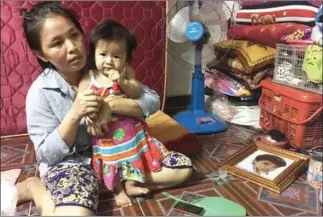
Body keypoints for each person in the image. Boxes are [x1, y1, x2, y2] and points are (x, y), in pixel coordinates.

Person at [13, 1, 192, 216]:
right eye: (57, 43)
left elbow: (152, 100)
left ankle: (105, 186)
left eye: (74, 35)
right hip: (75, 163)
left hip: (120, 154)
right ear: (41, 54)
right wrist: (75, 113)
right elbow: (46, 154)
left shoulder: (103, 65)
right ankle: (38, 189)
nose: (72, 48)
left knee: (182, 169)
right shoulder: (41, 92)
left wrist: (113, 105)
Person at [79, 19, 193, 207]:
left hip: (132, 134)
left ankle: (131, 184)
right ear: (93, 54)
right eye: (103, 54)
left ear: (126, 59)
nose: (109, 61)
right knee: (112, 163)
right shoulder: (88, 79)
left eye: (116, 56)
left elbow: (136, 92)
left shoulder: (127, 73)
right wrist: (91, 116)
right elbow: (83, 105)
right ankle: (118, 190)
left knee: (133, 158)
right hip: (107, 139)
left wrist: (122, 82)